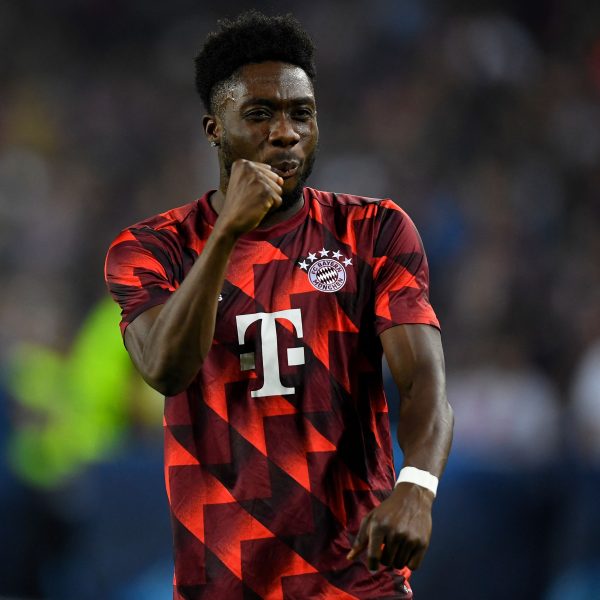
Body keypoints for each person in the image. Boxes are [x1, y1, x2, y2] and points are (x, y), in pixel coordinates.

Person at [104, 10, 453, 600]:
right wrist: (226, 235)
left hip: (355, 578)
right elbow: (166, 367)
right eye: (260, 114)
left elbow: (424, 383)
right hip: (223, 577)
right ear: (214, 129)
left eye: (301, 113)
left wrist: (417, 487)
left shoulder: (372, 230)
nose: (286, 132)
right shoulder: (151, 248)